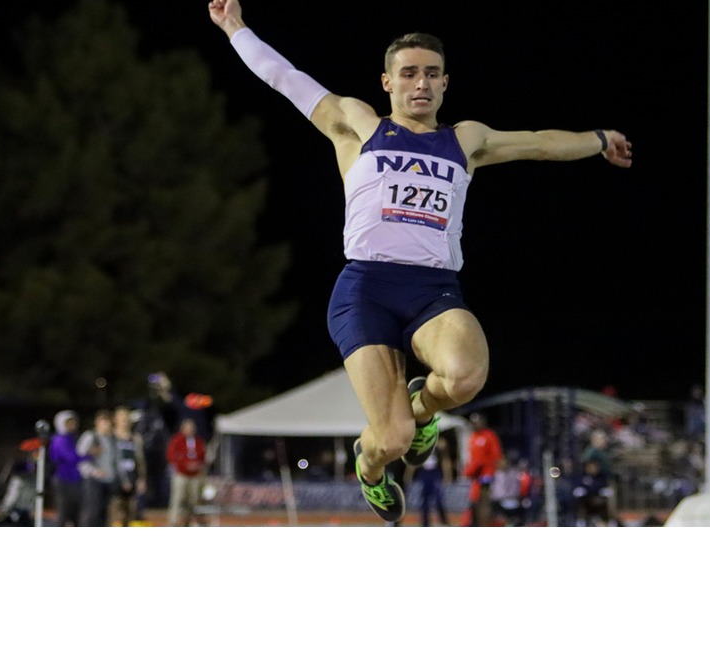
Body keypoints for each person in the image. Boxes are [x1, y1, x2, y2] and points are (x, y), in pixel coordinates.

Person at [207, 0, 632, 523]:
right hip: (365, 288)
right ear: (388, 83)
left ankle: (424, 404)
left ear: (446, 82)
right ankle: (369, 465)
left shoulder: (465, 140)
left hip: (433, 289)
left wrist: (598, 140)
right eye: (408, 73)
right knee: (392, 438)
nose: (421, 83)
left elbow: (540, 144)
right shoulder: (358, 125)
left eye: (432, 73)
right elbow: (285, 78)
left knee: (465, 377)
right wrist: (235, 28)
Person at [77, 411, 117, 527]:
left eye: (109, 422)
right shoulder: (91, 436)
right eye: (104, 422)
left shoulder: (112, 439)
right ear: (97, 423)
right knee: (93, 512)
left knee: (104, 513)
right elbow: (80, 458)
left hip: (108, 480)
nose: (107, 425)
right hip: (93, 480)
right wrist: (94, 471)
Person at [111, 407, 148, 526]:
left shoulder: (135, 438)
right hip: (115, 480)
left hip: (132, 479)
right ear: (116, 420)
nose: (124, 422)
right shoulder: (111, 437)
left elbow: (140, 461)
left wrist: (142, 479)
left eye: (126, 419)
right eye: (121, 419)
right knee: (115, 513)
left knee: (131, 512)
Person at [464, 413, 502, 527]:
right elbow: (472, 458)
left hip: (486, 475)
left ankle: (486, 523)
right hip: (475, 476)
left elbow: (496, 456)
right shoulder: (472, 437)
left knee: (484, 502)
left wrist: (490, 471)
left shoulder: (489, 436)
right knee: (475, 501)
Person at [166, 419, 207, 527]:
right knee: (178, 498)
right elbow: (172, 456)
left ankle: (188, 521)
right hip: (181, 474)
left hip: (195, 475)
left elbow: (203, 457)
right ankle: (173, 521)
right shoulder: (177, 440)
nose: (190, 430)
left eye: (192, 428)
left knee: (194, 499)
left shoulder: (198, 441)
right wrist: (185, 465)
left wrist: (198, 466)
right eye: (188, 428)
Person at [49, 411, 84, 527]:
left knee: (77, 513)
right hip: (63, 479)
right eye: (69, 423)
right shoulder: (59, 439)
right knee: (64, 512)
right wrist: (90, 454)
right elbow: (71, 457)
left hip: (76, 479)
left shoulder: (75, 438)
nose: (73, 425)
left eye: (74, 422)